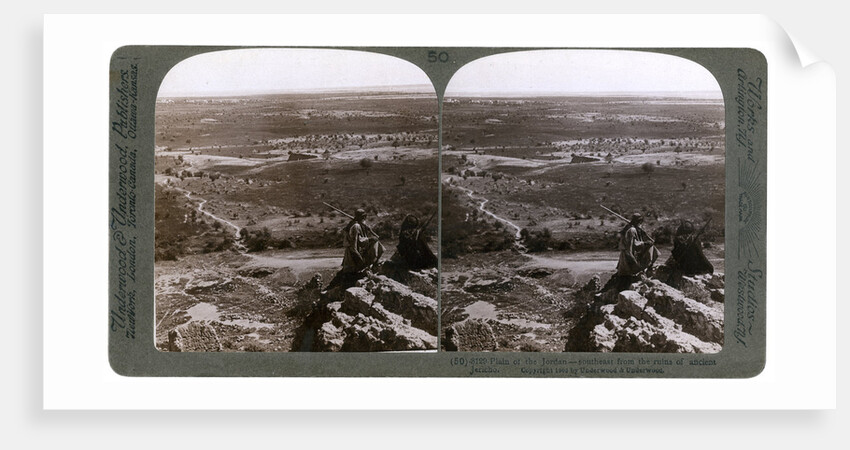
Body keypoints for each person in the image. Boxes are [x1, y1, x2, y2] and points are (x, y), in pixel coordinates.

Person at [341, 208, 384, 274]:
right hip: (354, 252)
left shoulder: (359, 225)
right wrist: (369, 239)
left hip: (358, 249)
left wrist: (369, 230)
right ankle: (369, 264)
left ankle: (373, 263)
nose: (365, 218)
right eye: (364, 216)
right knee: (375, 242)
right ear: (362, 217)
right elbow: (358, 243)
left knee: (378, 244)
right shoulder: (356, 226)